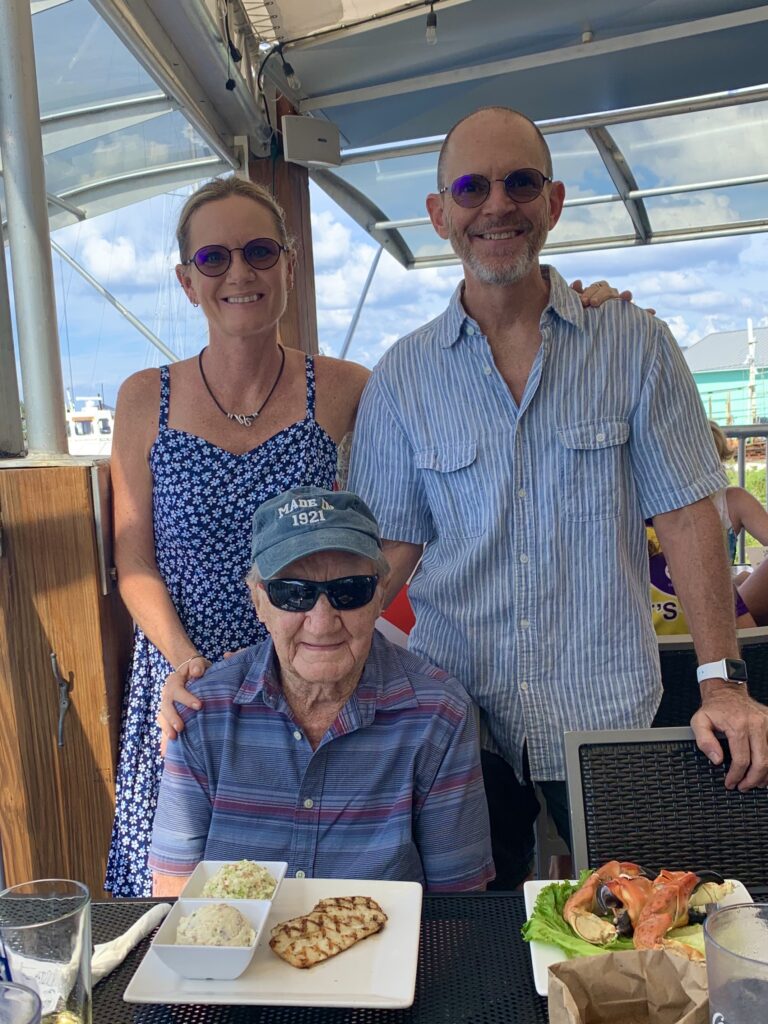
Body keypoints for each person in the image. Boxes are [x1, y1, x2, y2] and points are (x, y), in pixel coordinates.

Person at [347, 105, 768, 888]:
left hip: (606, 706)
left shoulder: (635, 342)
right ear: (440, 214)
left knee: (632, 933)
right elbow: (391, 553)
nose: (497, 205)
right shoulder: (403, 376)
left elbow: (686, 514)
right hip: (459, 717)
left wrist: (722, 681)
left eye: (521, 182)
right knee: (477, 935)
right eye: (471, 187)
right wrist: (310, 663)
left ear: (554, 202)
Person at [106, 177, 371, 896]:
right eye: (214, 259)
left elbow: (396, 523)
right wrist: (189, 663)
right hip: (187, 681)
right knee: (182, 903)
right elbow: (134, 562)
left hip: (306, 676)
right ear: (187, 281)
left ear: (289, 264)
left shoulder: (349, 389)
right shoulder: (142, 399)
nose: (239, 274)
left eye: (258, 252)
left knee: (316, 893)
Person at [149, 487, 494, 895]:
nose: (322, 620)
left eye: (349, 591)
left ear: (381, 593)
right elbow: (174, 897)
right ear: (260, 602)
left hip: (385, 956)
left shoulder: (439, 713)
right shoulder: (200, 710)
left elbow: (458, 906)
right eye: (294, 594)